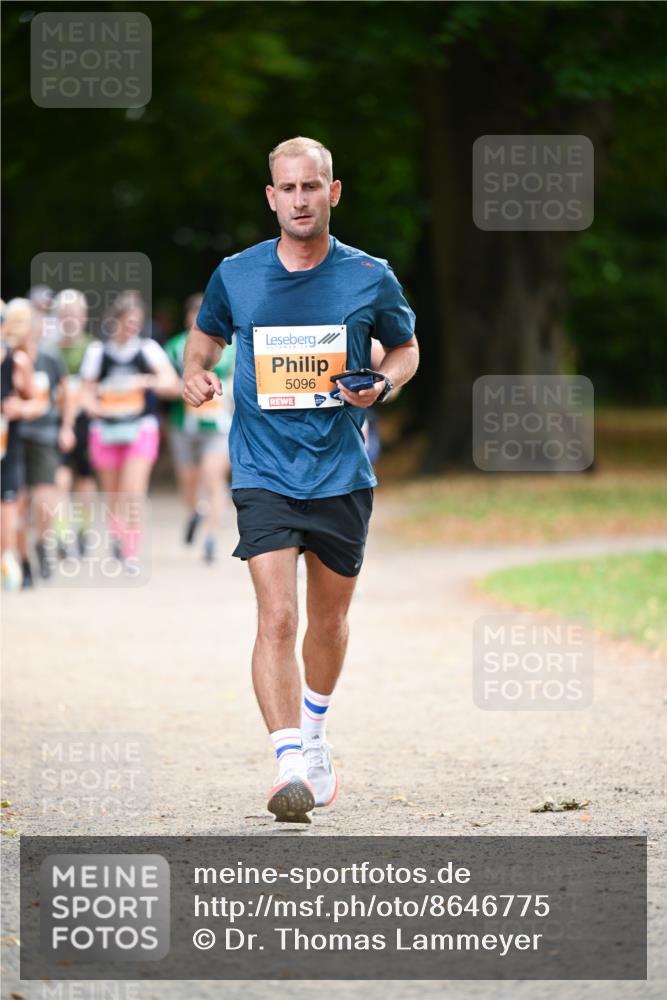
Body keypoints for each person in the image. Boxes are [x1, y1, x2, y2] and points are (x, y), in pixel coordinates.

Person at [183, 136, 419, 822]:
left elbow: (404, 347)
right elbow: (206, 339)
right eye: (286, 188)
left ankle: (314, 730)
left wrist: (383, 384)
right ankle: (288, 762)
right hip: (262, 468)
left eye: (310, 186)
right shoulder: (237, 274)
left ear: (332, 192)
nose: (299, 200)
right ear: (271, 197)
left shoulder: (369, 275)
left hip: (340, 470)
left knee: (330, 620)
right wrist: (195, 373)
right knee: (278, 615)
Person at [80, 290, 180, 563]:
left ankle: (131, 550)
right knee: (113, 493)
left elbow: (172, 384)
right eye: (128, 322)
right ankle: (117, 536)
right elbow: (86, 393)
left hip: (140, 428)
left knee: (133, 492)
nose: (132, 327)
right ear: (115, 321)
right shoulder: (98, 352)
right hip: (106, 430)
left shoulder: (148, 349)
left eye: (137, 322)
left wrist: (145, 381)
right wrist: (96, 405)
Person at [165, 293, 236, 563]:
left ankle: (211, 537)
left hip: (219, 426)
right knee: (189, 484)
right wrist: (186, 387)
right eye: (194, 313)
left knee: (213, 476)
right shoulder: (175, 346)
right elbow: (163, 383)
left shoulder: (234, 346)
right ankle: (194, 512)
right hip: (183, 426)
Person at [12, 299, 77, 583]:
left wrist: (67, 427)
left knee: (44, 499)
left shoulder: (50, 358)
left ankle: (41, 543)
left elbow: (68, 394)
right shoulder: (9, 358)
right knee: (17, 502)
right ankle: (23, 561)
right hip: (14, 436)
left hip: (45, 434)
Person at [53, 289, 96, 556]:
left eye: (75, 314)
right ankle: (60, 532)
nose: (70, 319)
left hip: (86, 421)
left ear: (84, 316)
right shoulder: (50, 349)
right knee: (59, 474)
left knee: (85, 476)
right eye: (65, 314)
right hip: (55, 420)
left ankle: (83, 529)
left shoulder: (93, 347)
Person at [1, 300, 35, 590]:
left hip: (6, 453)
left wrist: (21, 408)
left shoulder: (17, 362)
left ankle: (12, 563)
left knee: (6, 532)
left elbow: (39, 402)